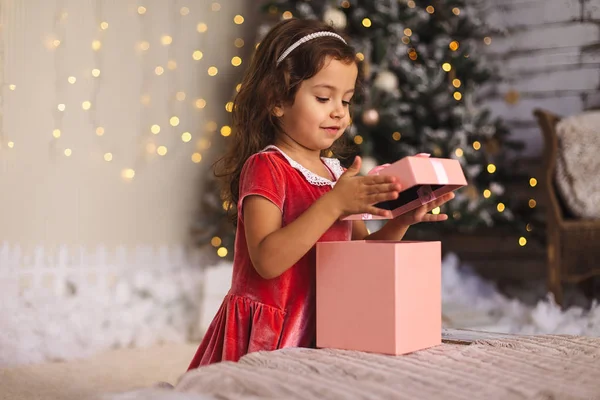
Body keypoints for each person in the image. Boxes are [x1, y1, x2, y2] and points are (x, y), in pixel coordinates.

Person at [187, 18, 454, 369]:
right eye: (324, 97)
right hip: (269, 338)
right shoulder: (268, 166)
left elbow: (356, 262)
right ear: (277, 101)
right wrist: (334, 204)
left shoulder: (337, 176)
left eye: (347, 100)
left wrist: (399, 223)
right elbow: (267, 261)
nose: (339, 112)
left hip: (324, 327)